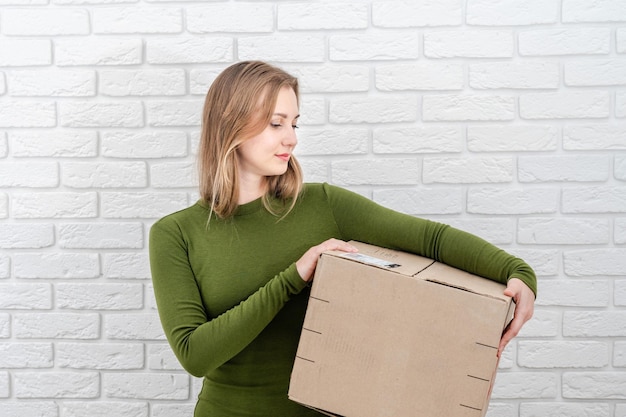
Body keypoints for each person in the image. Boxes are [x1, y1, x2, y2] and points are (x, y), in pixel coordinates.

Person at [149, 60, 537, 417]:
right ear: (230, 123)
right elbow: (194, 355)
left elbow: (429, 239)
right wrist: (293, 277)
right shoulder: (176, 234)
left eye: (295, 124)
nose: (292, 139)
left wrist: (516, 272)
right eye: (276, 123)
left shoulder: (323, 205)